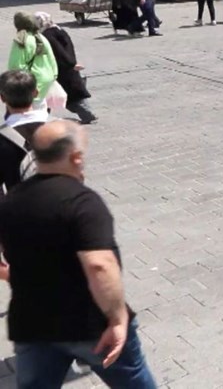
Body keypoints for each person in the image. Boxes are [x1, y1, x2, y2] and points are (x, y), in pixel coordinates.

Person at [0, 120, 158, 387]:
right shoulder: (83, 203)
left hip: (32, 324)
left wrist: (14, 275)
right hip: (90, 325)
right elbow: (99, 266)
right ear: (75, 158)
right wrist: (118, 318)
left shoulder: (10, 201)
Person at [35, 13, 96, 124]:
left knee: (66, 97)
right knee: (74, 95)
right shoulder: (59, 30)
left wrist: (70, 63)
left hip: (61, 69)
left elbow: (59, 52)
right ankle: (87, 114)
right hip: (69, 67)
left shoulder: (47, 36)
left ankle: (87, 115)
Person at [0, 70, 46, 191]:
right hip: (60, 203)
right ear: (36, 93)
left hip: (20, 206)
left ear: (2, 98)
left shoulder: (2, 137)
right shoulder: (62, 127)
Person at [7, 12, 58, 107]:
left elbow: (15, 66)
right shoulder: (41, 37)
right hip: (46, 79)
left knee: (28, 111)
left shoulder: (21, 41)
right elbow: (52, 58)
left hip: (30, 82)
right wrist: (53, 75)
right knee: (40, 107)